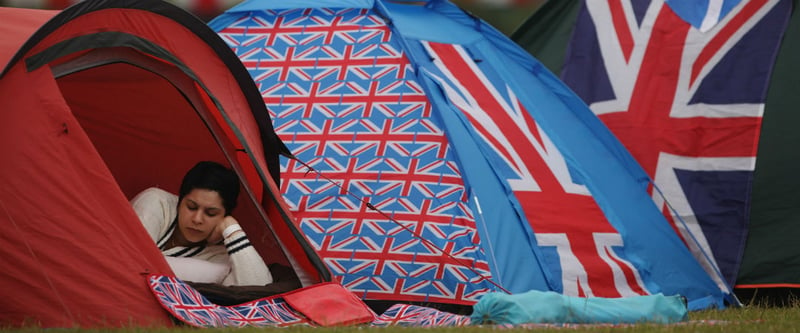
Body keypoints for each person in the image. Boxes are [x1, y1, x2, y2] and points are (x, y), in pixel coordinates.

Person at [131, 161, 273, 286]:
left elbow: (258, 288)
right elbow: (131, 261)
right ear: (180, 200)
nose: (197, 219)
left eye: (211, 213)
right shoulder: (156, 203)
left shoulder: (223, 254)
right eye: (191, 207)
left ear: (225, 214)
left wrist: (231, 228)